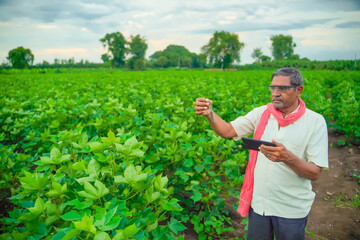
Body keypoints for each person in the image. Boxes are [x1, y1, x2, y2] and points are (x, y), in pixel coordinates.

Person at [194, 67, 328, 240]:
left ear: (299, 90)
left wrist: (287, 157)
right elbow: (228, 130)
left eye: (283, 88)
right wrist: (209, 113)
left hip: (291, 208)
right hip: (260, 205)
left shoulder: (315, 122)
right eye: (273, 88)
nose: (276, 93)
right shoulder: (262, 113)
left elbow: (315, 173)